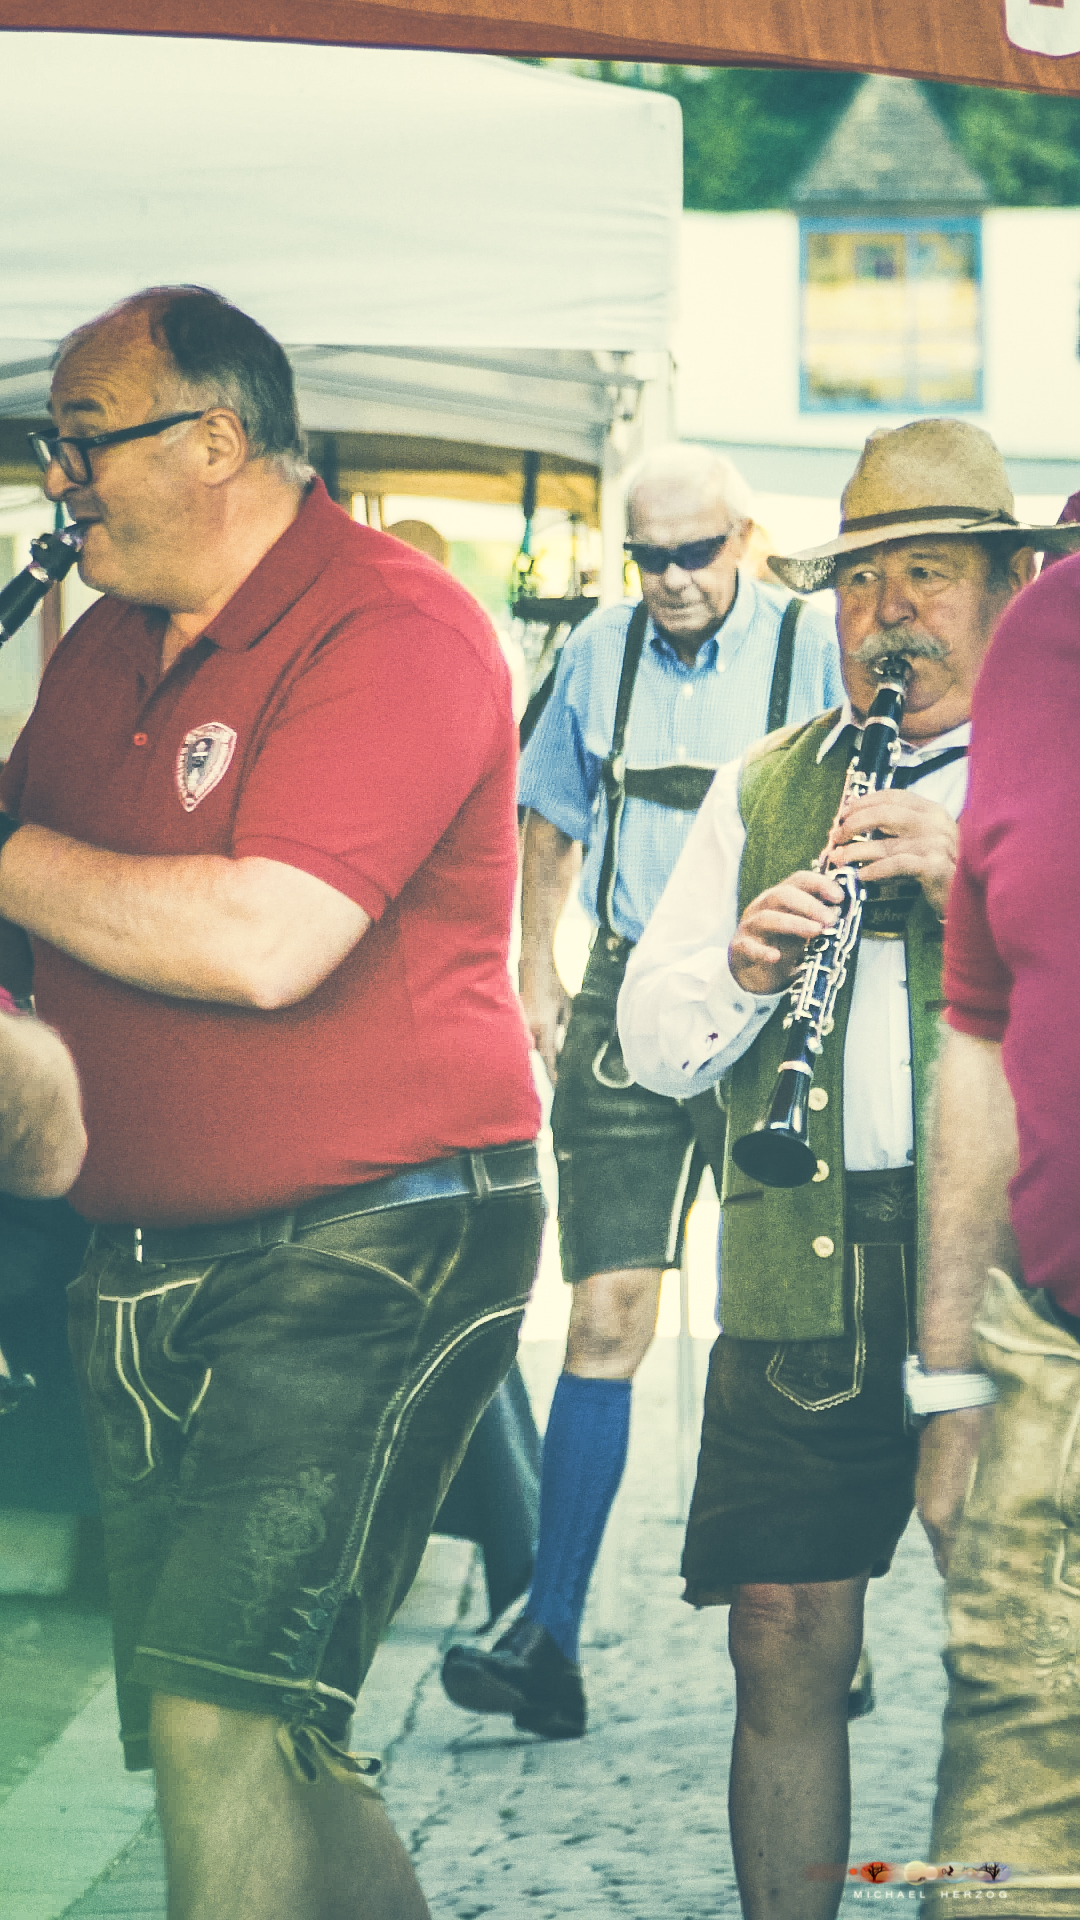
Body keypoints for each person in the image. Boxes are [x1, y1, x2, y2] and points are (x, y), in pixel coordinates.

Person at [0, 284, 544, 1920]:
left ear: (216, 439)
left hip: (372, 1246)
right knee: (263, 1741)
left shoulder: (395, 624)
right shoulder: (103, 640)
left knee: (216, 1717)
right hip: (152, 1259)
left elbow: (264, 940)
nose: (59, 479)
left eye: (83, 439)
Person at [617, 418, 1080, 1920]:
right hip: (802, 1262)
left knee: (1027, 1650)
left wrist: (970, 872)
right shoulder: (770, 782)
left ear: (1008, 590)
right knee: (781, 1631)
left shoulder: (1053, 767)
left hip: (1002, 1273)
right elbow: (647, 1040)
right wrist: (749, 968)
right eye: (860, 581)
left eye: (928, 576)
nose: (889, 614)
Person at [441, 441, 842, 1740]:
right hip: (627, 989)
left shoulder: (813, 645)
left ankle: (823, 1618)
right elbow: (547, 814)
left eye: (693, 552)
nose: (669, 579)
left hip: (784, 983)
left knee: (784, 1304)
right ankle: (546, 1634)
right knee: (607, 1313)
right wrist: (536, 971)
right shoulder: (600, 652)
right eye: (647, 554)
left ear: (744, 539)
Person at [915, 524, 1080, 1906]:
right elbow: (977, 1032)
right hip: (1054, 1367)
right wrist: (950, 1377)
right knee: (1001, 1881)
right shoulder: (1047, 638)